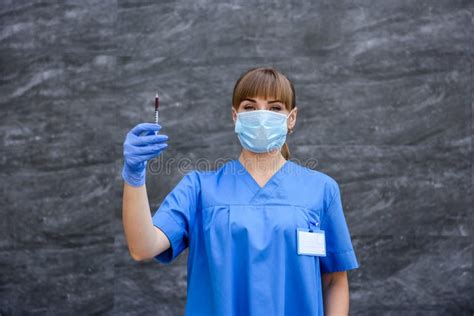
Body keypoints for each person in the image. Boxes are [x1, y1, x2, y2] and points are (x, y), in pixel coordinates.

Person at [121, 66, 359, 315]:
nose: (262, 116)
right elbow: (142, 248)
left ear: (292, 118)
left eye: (275, 108)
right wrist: (134, 175)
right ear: (235, 117)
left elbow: (334, 281)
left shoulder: (321, 191)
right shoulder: (200, 189)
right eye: (250, 107)